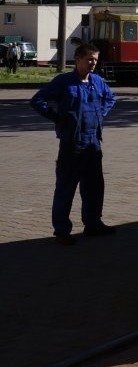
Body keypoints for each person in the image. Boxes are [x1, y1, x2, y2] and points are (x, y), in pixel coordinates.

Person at [29, 43, 117, 245]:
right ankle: (62, 231)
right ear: (77, 60)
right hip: (72, 145)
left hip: (93, 144)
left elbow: (110, 98)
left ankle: (93, 224)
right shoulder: (64, 82)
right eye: (89, 59)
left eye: (95, 59)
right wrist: (58, 117)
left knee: (94, 188)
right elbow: (38, 100)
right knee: (66, 188)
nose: (93, 63)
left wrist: (100, 115)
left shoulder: (97, 81)